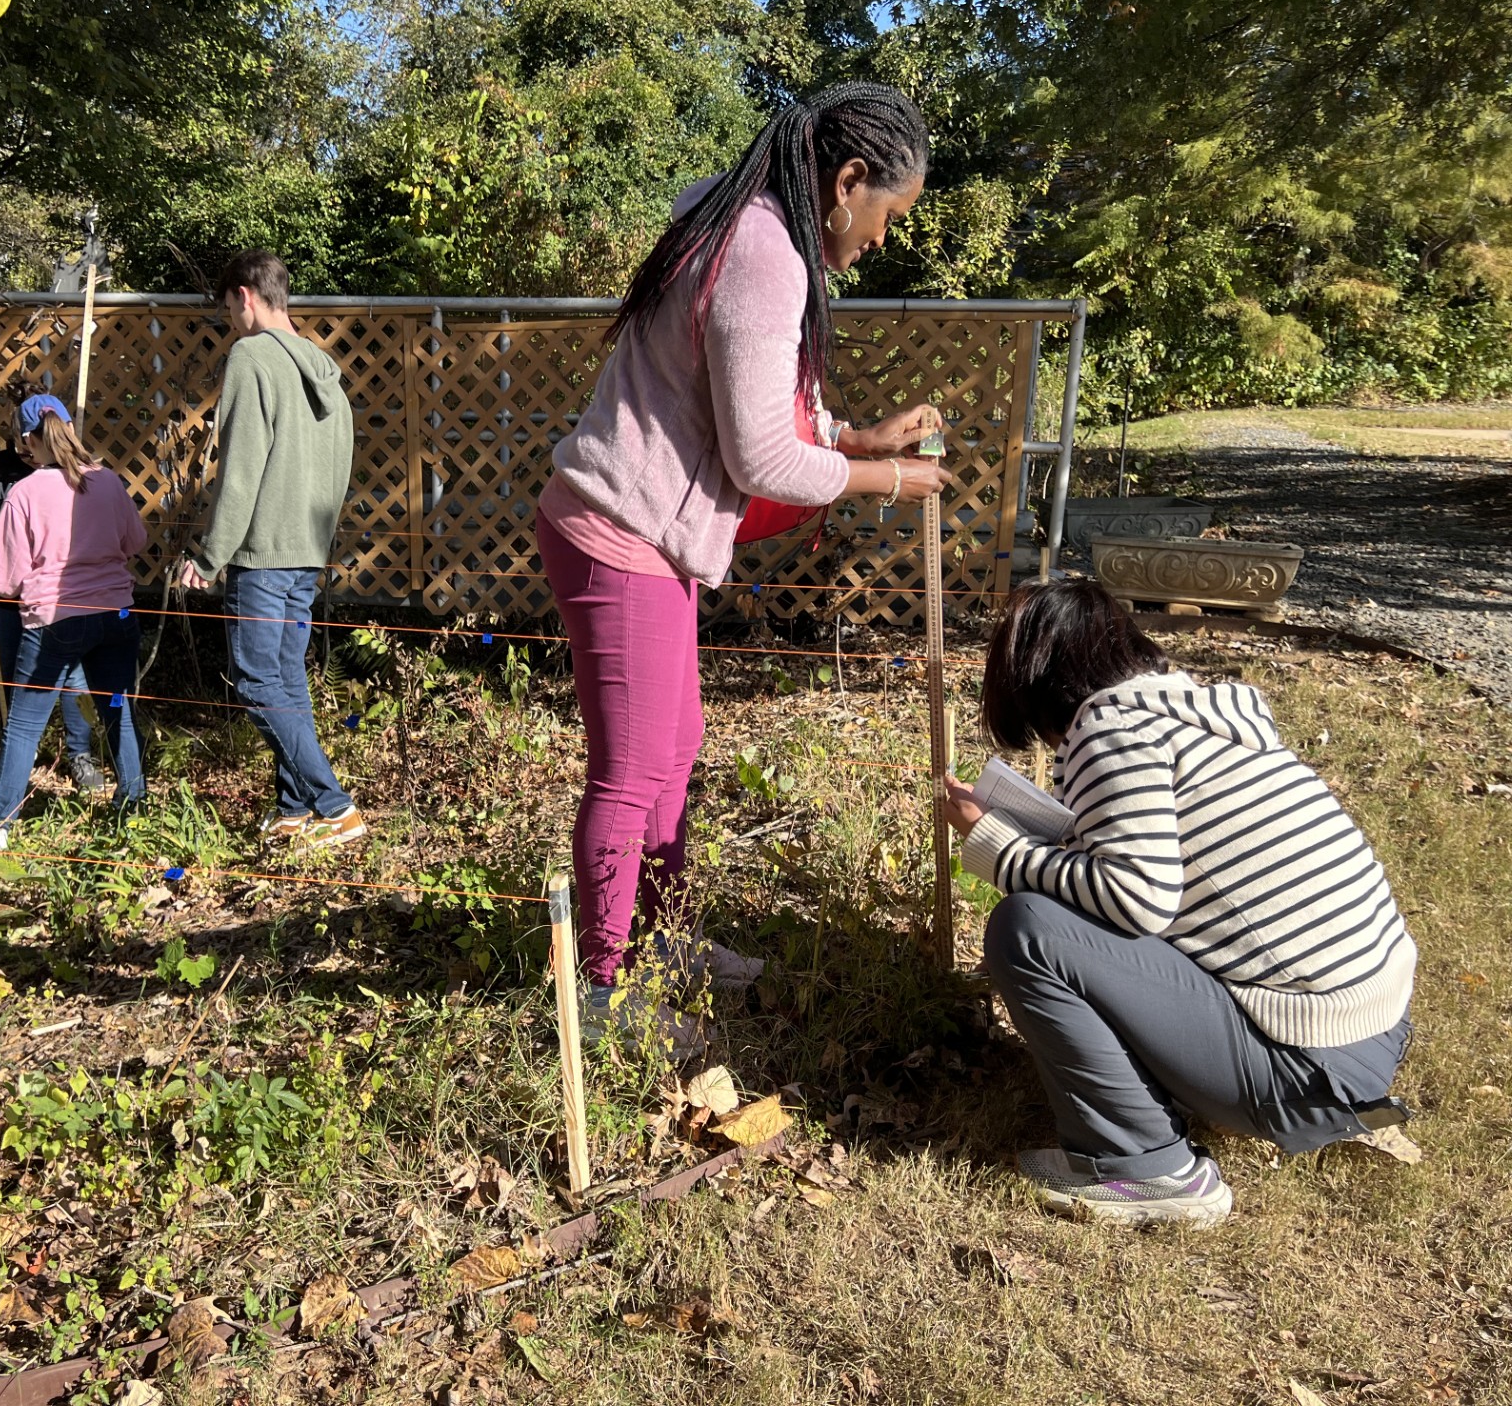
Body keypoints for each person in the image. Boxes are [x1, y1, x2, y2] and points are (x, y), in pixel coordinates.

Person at [537, 81, 957, 1056]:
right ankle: (599, 994)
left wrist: (853, 432)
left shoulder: (729, 210)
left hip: (649, 531)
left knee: (674, 749)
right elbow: (764, 462)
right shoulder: (768, 256)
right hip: (619, 530)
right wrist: (885, 475)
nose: (888, 238)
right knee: (632, 769)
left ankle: (665, 939)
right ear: (848, 182)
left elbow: (747, 405)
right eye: (892, 214)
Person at [944, 580, 1418, 1227]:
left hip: (1307, 1070)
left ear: (1039, 680)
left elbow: (1136, 899)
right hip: (1369, 1036)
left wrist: (993, 845)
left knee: (1028, 929)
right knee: (1059, 917)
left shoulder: (1108, 732)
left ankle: (1147, 1169)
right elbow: (1160, 869)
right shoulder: (1191, 717)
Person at [175, 251, 363, 850]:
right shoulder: (324, 369)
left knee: (256, 683)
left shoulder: (251, 357)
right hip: (307, 551)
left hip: (261, 555)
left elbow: (242, 471)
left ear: (245, 296)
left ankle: (334, 805)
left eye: (228, 305)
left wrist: (209, 556)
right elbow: (340, 469)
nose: (229, 317)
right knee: (285, 680)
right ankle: (294, 807)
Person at [0, 394, 148, 843]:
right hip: (115, 614)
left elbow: (2, 579)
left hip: (54, 620)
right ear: (70, 428)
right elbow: (136, 540)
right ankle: (134, 807)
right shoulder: (109, 481)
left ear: (28, 441)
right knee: (118, 709)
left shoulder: (25, 492)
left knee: (23, 725)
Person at [0, 435, 109, 795]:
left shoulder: (65, 473)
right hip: (7, 589)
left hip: (55, 595)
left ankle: (80, 753)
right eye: (18, 439)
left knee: (74, 677)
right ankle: (12, 758)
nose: (25, 449)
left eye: (31, 441)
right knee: (13, 675)